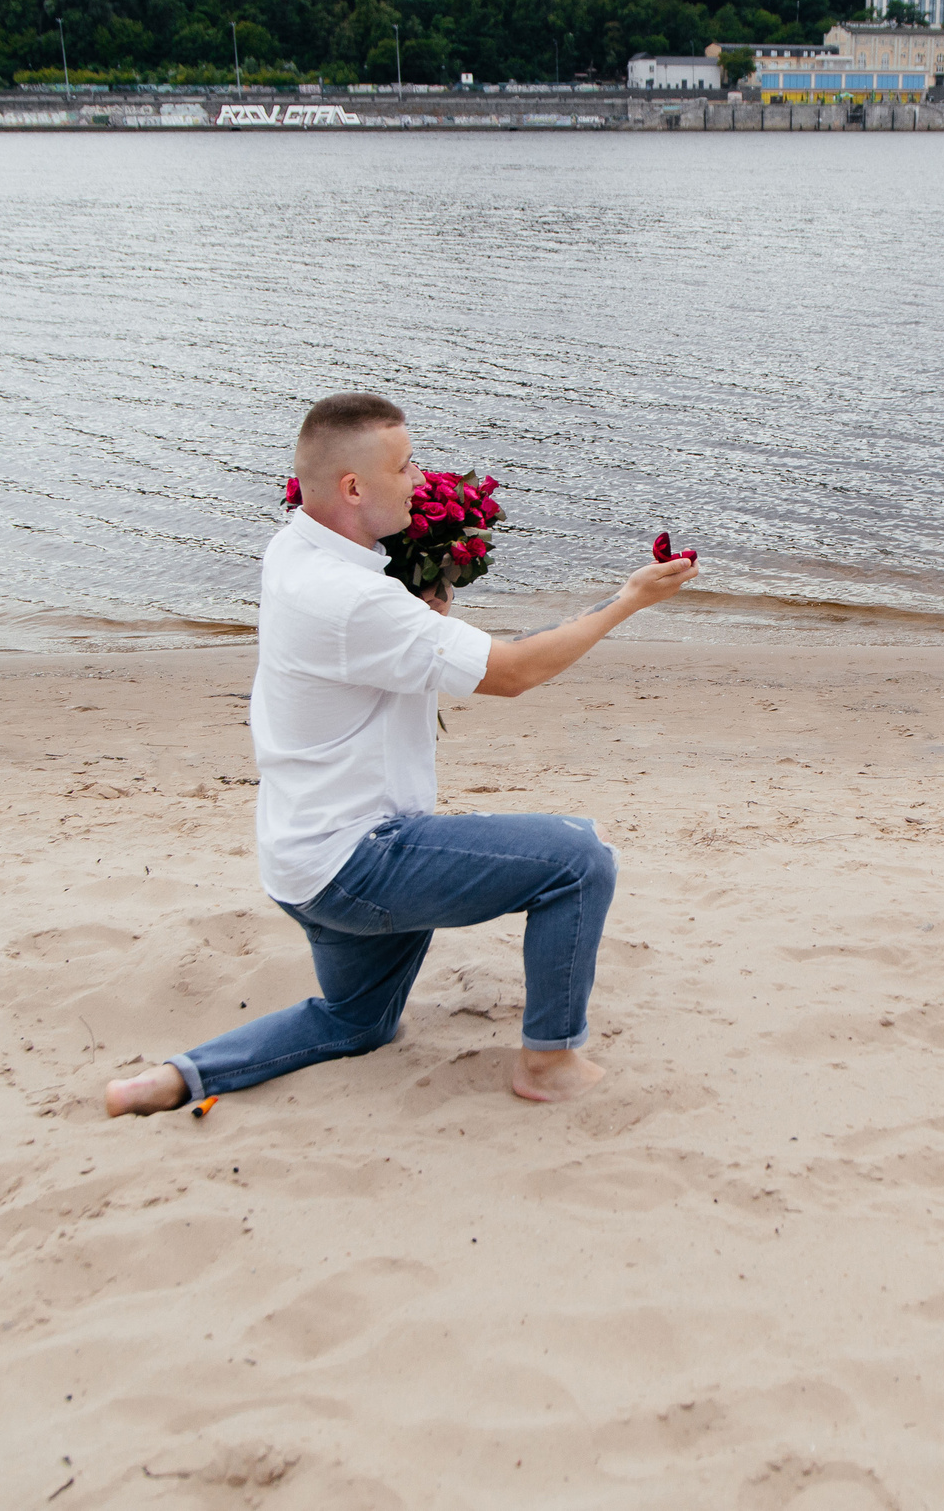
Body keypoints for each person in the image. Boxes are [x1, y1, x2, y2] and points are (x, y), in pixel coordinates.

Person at [107, 393, 697, 1115]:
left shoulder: (295, 548)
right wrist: (629, 599)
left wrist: (430, 593)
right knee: (580, 858)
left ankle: (176, 1077)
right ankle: (550, 1063)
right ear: (353, 487)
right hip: (358, 862)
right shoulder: (354, 599)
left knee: (358, 1022)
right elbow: (514, 672)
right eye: (405, 465)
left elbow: (379, 645)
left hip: (298, 860)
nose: (419, 478)